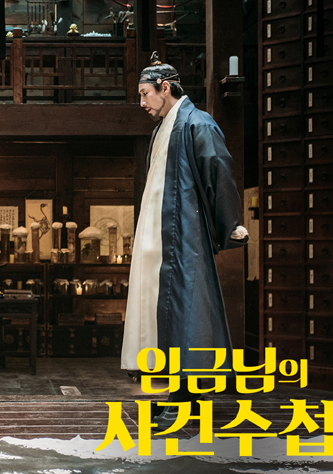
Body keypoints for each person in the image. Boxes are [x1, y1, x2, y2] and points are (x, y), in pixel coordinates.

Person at [120, 53, 248, 428]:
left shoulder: (197, 122)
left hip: (181, 237)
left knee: (185, 314)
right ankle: (183, 397)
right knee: (166, 315)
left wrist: (229, 224)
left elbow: (218, 171)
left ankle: (185, 399)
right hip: (161, 235)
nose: (142, 103)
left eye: (144, 94)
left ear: (165, 88)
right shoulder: (164, 127)